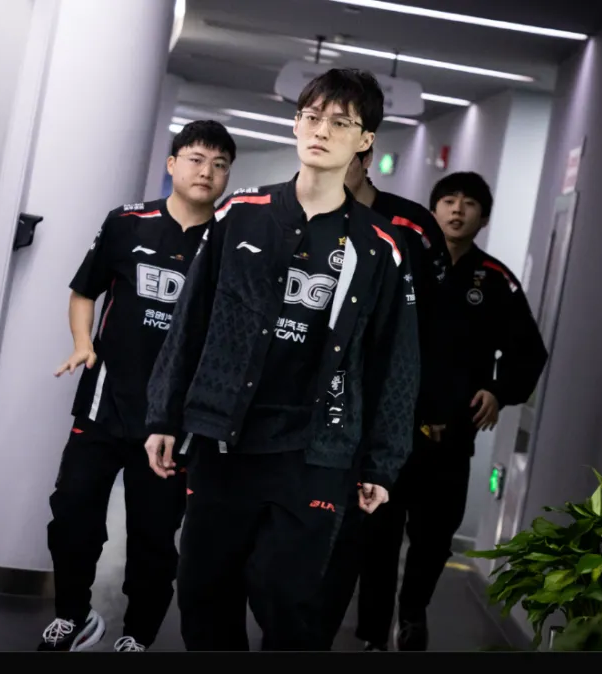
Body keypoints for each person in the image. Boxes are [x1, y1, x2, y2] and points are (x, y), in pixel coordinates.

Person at [143, 68, 420, 651]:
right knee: (202, 590)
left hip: (314, 449)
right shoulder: (239, 214)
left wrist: (382, 463)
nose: (321, 131)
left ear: (365, 139)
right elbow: (191, 320)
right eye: (312, 117)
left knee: (288, 599)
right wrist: (164, 415)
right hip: (225, 436)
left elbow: (397, 363)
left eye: (340, 122)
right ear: (296, 124)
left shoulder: (379, 246)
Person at [37, 121, 237, 652]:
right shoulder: (127, 223)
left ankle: (137, 636)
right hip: (105, 404)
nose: (207, 172)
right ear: (172, 164)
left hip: (173, 422)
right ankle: (72, 616)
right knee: (72, 513)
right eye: (196, 159)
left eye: (219, 165)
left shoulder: (230, 242)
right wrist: (83, 343)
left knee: (153, 536)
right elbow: (84, 292)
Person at [349, 171, 548, 651]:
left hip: (450, 437)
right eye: (448, 200)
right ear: (432, 210)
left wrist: (498, 391)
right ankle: (373, 633)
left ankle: (412, 611)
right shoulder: (402, 261)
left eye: (469, 204)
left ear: (483, 218)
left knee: (435, 537)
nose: (458, 210)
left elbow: (529, 352)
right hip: (389, 433)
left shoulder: (496, 281)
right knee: (377, 536)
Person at [316, 148, 451, 650]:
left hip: (385, 404)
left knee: (377, 526)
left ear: (366, 154)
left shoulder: (411, 227)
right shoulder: (310, 214)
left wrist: (429, 407)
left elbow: (433, 327)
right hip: (318, 403)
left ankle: (372, 635)